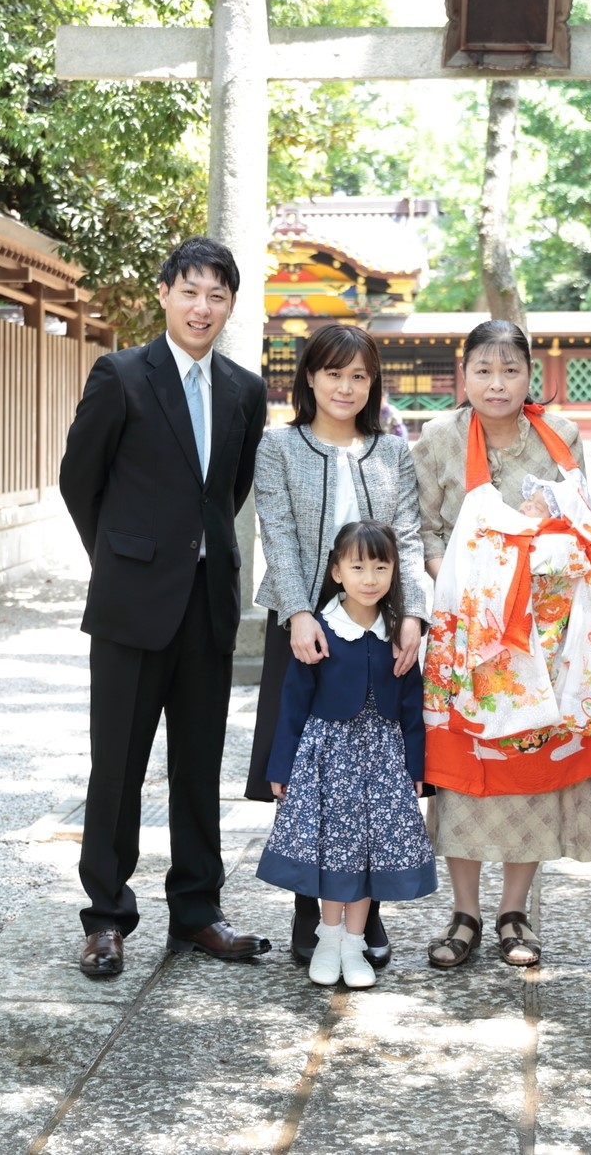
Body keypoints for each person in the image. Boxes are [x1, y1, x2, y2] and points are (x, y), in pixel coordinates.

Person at [57, 236, 271, 978]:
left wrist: (191, 555)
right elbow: (78, 481)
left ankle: (198, 911)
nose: (202, 306)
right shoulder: (121, 374)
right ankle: (107, 917)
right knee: (117, 763)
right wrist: (120, 558)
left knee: (198, 763)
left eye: (217, 295)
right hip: (130, 603)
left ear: (230, 305)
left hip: (207, 602)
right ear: (165, 294)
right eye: (190, 291)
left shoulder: (245, 389)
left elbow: (229, 491)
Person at [414, 320, 591, 969]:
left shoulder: (559, 436)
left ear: (528, 374)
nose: (496, 382)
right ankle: (464, 913)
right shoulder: (438, 439)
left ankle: (515, 911)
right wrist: (473, 583)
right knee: (462, 776)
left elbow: (581, 522)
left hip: (544, 634)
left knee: (532, 775)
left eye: (510, 369)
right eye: (483, 369)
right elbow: (423, 532)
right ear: (465, 375)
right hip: (468, 632)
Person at [245, 322, 429, 968]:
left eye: (358, 375)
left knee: (376, 775)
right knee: (307, 771)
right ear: (309, 379)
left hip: (380, 631)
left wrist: (413, 617)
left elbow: (407, 536)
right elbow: (282, 534)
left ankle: (364, 913)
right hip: (306, 627)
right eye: (333, 373)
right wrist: (299, 613)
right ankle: (312, 912)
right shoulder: (280, 447)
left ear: (372, 382)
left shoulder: (392, 452)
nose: (345, 387)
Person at [257, 520, 437, 990]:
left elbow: (414, 706)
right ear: (337, 571)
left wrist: (418, 769)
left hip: (382, 762)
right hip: (327, 760)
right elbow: (293, 702)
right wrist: (281, 766)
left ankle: (355, 942)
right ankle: (329, 937)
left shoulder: (400, 634)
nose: (370, 577)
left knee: (369, 854)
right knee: (332, 850)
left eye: (381, 566)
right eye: (357, 566)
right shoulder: (321, 630)